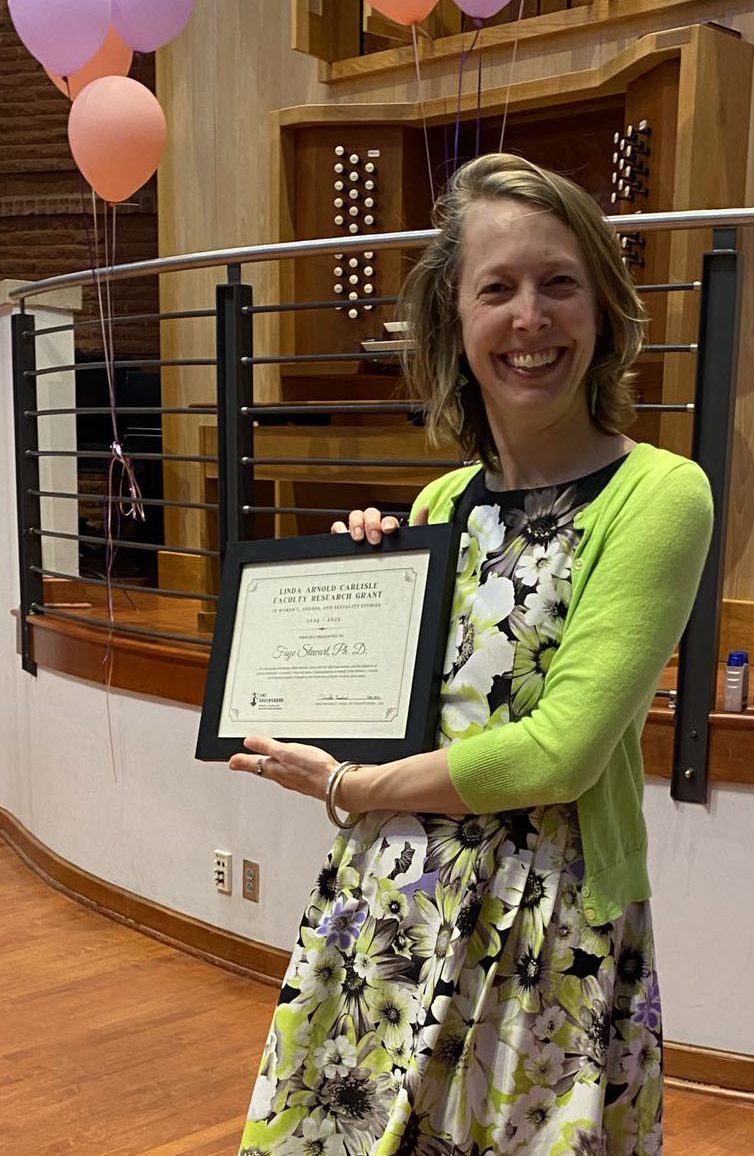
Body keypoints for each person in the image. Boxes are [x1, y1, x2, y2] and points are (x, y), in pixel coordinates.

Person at [229, 152, 713, 1156]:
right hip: (391, 901)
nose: (530, 317)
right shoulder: (439, 503)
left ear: (603, 309)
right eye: (497, 289)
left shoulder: (663, 495)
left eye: (559, 282)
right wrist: (362, 586)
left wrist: (352, 788)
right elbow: (399, 713)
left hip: (545, 928)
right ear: (454, 323)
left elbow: (560, 752)